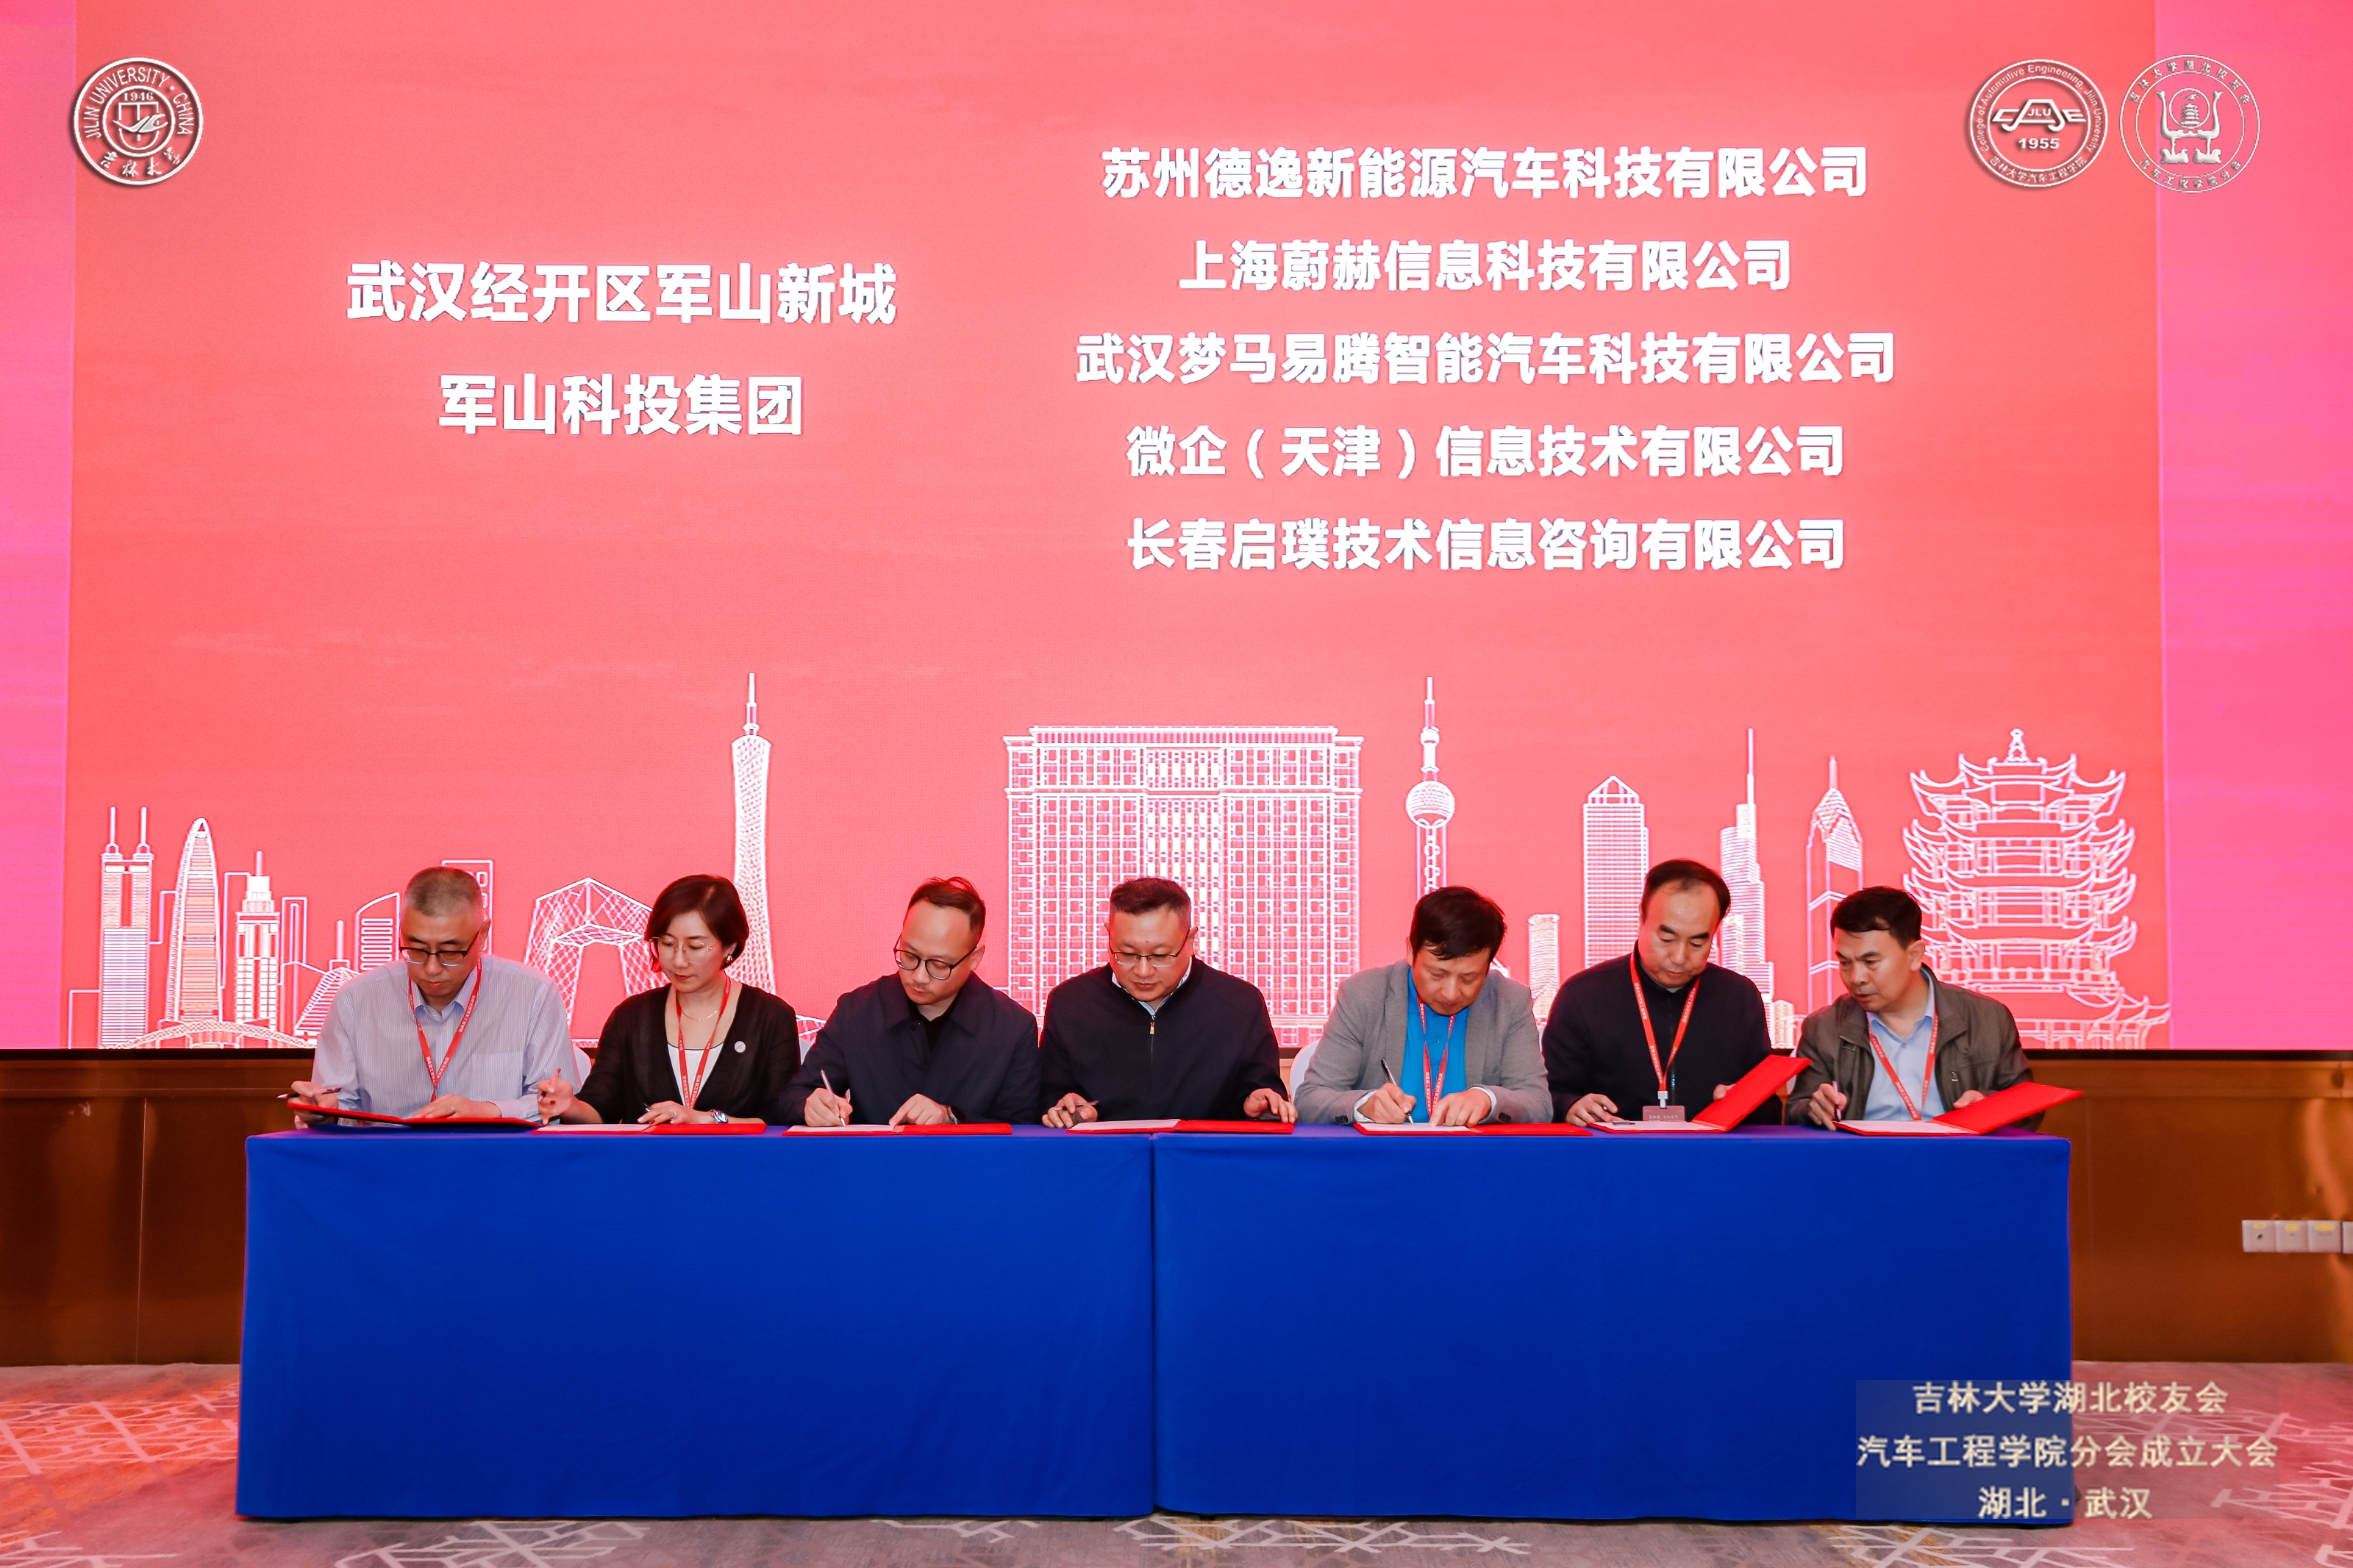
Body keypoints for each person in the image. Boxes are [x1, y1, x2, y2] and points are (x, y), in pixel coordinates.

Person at [289, 867, 571, 1122]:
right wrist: (322, 1112)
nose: (432, 969)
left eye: (450, 952)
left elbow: (556, 1104)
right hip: (389, 1158)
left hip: (495, 1156)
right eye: (416, 949)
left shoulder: (532, 994)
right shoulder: (356, 1000)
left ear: (483, 934)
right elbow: (339, 1107)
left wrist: (491, 1111)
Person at [536, 876, 800, 1125]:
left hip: (739, 1157)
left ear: (729, 947)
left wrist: (705, 1120)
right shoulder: (631, 1017)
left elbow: (780, 1119)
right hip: (647, 1157)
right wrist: (570, 1106)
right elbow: (601, 1111)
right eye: (667, 944)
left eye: (695, 947)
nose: (678, 960)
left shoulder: (771, 1017)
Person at [782, 877, 1040, 1125]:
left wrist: (951, 1118)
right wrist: (809, 1106)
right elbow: (794, 1096)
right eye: (909, 954)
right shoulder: (857, 1012)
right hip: (871, 1157)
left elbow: (1022, 1130)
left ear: (974, 958)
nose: (918, 977)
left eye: (939, 965)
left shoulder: (1013, 1028)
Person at [1543, 859, 1779, 1127]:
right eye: (1667, 939)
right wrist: (1571, 1106)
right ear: (1642, 920)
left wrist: (1745, 1103)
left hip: (1713, 1149)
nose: (1679, 957)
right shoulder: (1583, 996)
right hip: (1614, 1149)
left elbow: (1771, 1108)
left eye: (1697, 943)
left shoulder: (1739, 998)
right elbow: (1550, 1095)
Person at [1039, 877, 1293, 1125]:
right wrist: (1066, 1109)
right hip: (1103, 1151)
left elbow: (1261, 1094)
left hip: (1204, 1151)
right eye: (1126, 954)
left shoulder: (1240, 1005)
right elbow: (1049, 1096)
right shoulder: (1070, 1004)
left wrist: (1257, 1107)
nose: (1143, 971)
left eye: (1160, 956)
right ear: (1109, 936)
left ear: (1190, 941)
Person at [1295, 886, 1552, 1125]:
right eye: (1437, 974)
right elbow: (1310, 1099)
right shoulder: (1364, 995)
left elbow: (1539, 1104)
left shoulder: (1510, 1002)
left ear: (1489, 966)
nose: (1451, 993)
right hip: (1384, 1154)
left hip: (1473, 1156)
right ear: (1411, 951)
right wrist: (1364, 1106)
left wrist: (1489, 1100)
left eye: (1469, 978)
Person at [1788, 885, 2039, 1129]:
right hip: (1863, 1155)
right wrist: (1812, 1109)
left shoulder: (1987, 1018)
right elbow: (1795, 1112)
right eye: (1845, 963)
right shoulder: (1824, 1028)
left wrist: (1989, 1106)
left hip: (1958, 1154)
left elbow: (2030, 1109)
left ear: (1915, 955)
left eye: (1871, 961)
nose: (1856, 978)